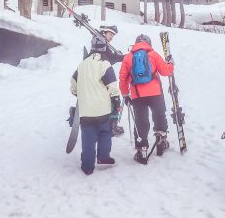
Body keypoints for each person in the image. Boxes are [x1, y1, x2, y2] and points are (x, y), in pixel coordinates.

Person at [119, 34, 174, 164]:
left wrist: (126, 94)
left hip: (137, 95)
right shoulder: (153, 54)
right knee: (159, 116)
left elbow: (123, 79)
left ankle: (142, 148)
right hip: (156, 93)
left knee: (141, 121)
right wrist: (171, 64)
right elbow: (166, 71)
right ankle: (161, 140)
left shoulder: (128, 57)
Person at [71, 36, 121, 176]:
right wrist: (116, 100)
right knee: (105, 133)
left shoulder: (82, 65)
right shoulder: (104, 64)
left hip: (86, 111)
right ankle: (103, 157)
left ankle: (87, 166)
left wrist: (78, 93)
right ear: (104, 48)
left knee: (88, 138)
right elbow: (111, 85)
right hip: (102, 109)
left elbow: (73, 84)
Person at [99, 25, 126, 136]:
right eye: (110, 34)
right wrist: (117, 57)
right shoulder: (101, 45)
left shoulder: (103, 45)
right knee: (115, 100)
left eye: (112, 36)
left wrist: (120, 57)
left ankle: (110, 125)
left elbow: (110, 59)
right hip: (103, 77)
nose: (111, 37)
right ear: (104, 33)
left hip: (103, 76)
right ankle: (111, 127)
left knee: (112, 101)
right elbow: (107, 59)